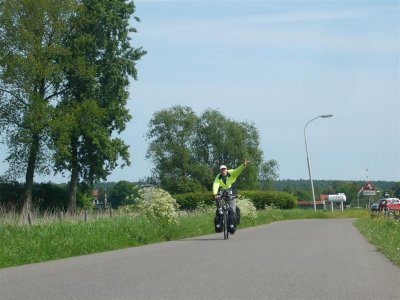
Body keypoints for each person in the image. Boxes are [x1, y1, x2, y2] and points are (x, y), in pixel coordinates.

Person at [212, 160, 250, 234]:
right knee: (217, 198)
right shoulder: (218, 176)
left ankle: (232, 225)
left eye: (224, 169)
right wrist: (215, 193)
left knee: (233, 209)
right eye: (221, 170)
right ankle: (220, 210)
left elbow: (237, 170)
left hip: (232, 192)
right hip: (222, 191)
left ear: (226, 169)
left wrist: (243, 165)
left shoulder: (232, 173)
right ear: (220, 171)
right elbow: (215, 185)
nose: (223, 171)